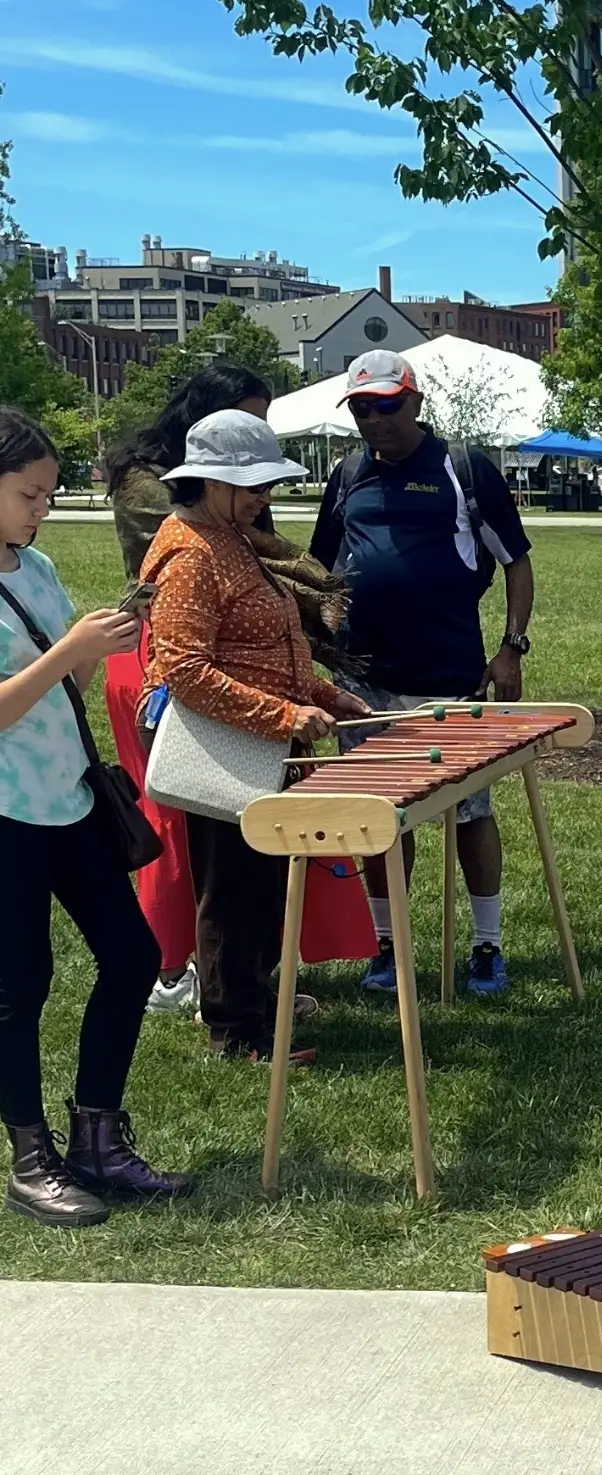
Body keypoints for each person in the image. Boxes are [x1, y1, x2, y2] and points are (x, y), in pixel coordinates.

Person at [101, 363, 368, 1014]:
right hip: (222, 740)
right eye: (256, 484)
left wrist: (324, 695)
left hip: (254, 732)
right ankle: (235, 1025)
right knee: (232, 885)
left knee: (259, 880)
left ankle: (255, 998)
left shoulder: (225, 535)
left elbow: (264, 640)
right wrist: (284, 715)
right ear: (214, 481)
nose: (264, 496)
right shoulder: (190, 550)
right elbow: (187, 671)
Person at [0, 406, 191, 1225]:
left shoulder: (36, 567)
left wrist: (94, 650)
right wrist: (71, 651)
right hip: (7, 811)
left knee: (131, 952)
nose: (41, 509)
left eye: (48, 494)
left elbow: (62, 689)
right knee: (20, 984)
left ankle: (97, 1137)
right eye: (28, 494)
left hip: (68, 796)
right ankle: (30, 1156)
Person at [312, 351, 536, 997]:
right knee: (379, 815)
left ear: (415, 402)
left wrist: (511, 648)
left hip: (450, 677)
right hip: (365, 682)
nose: (374, 419)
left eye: (387, 405)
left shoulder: (463, 468)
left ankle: (487, 946)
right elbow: (318, 570)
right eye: (361, 408)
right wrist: (319, 644)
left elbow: (517, 561)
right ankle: (388, 946)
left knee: (470, 812)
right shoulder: (346, 474)